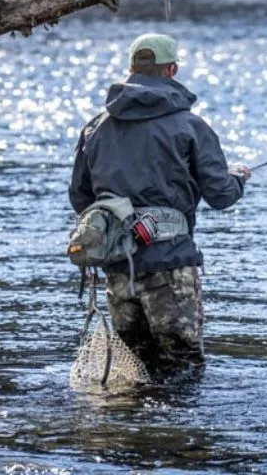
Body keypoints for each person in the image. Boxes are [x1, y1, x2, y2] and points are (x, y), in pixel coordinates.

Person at [68, 33, 251, 371]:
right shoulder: (191, 126)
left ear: (131, 70)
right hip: (170, 265)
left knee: (135, 368)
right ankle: (173, 426)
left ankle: (131, 423)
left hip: (119, 268)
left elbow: (80, 197)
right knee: (182, 370)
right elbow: (221, 195)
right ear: (172, 70)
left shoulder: (95, 127)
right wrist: (238, 176)